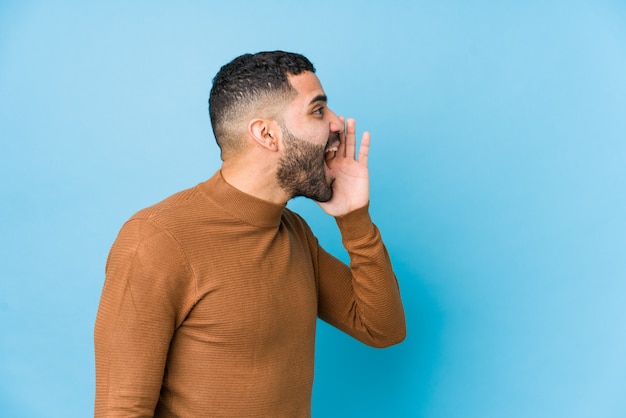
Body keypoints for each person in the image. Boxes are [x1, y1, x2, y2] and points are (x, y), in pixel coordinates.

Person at [94, 51, 406, 417]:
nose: (338, 123)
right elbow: (122, 410)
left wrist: (354, 219)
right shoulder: (156, 240)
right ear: (267, 134)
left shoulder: (293, 232)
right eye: (318, 110)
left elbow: (381, 329)